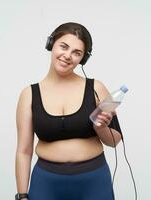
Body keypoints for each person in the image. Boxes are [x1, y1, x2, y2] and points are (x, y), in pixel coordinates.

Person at [15, 22, 122, 200]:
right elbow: (23, 151)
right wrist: (22, 195)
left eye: (77, 53)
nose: (68, 56)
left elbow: (114, 141)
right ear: (51, 44)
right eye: (63, 47)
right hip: (46, 183)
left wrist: (101, 127)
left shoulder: (97, 88)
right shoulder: (29, 95)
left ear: (83, 59)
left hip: (94, 181)